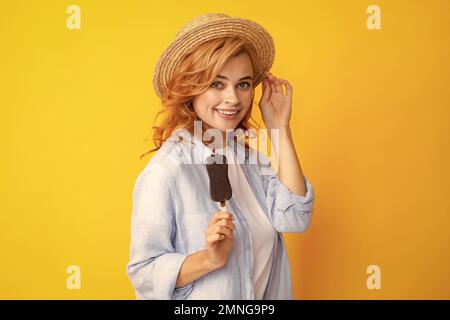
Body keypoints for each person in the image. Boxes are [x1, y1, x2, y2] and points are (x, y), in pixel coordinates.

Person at [126, 13, 315, 300]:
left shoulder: (248, 159)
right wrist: (209, 259)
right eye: (217, 84)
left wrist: (279, 128)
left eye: (243, 84)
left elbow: (295, 217)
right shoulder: (168, 171)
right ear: (190, 87)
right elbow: (144, 273)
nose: (233, 98)